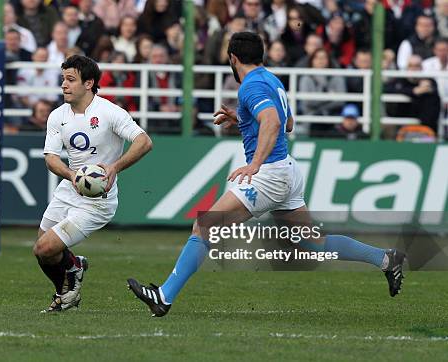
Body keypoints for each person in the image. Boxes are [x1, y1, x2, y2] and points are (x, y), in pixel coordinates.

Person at [127, 32, 406, 317]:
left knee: (205, 226)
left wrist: (255, 163)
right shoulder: (271, 79)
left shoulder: (250, 86)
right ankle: (386, 259)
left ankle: (164, 296)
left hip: (270, 173)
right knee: (312, 243)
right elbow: (288, 123)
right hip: (286, 169)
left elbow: (273, 121)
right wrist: (243, 117)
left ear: (233, 58)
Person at [34, 55, 153, 312]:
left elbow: (144, 142)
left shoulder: (110, 112)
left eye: (70, 80)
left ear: (89, 83)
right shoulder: (57, 116)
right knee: (43, 251)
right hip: (70, 188)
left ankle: (67, 291)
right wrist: (71, 176)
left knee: (46, 247)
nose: (64, 85)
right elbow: (51, 158)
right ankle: (70, 278)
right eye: (63, 79)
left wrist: (114, 167)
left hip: (98, 200)